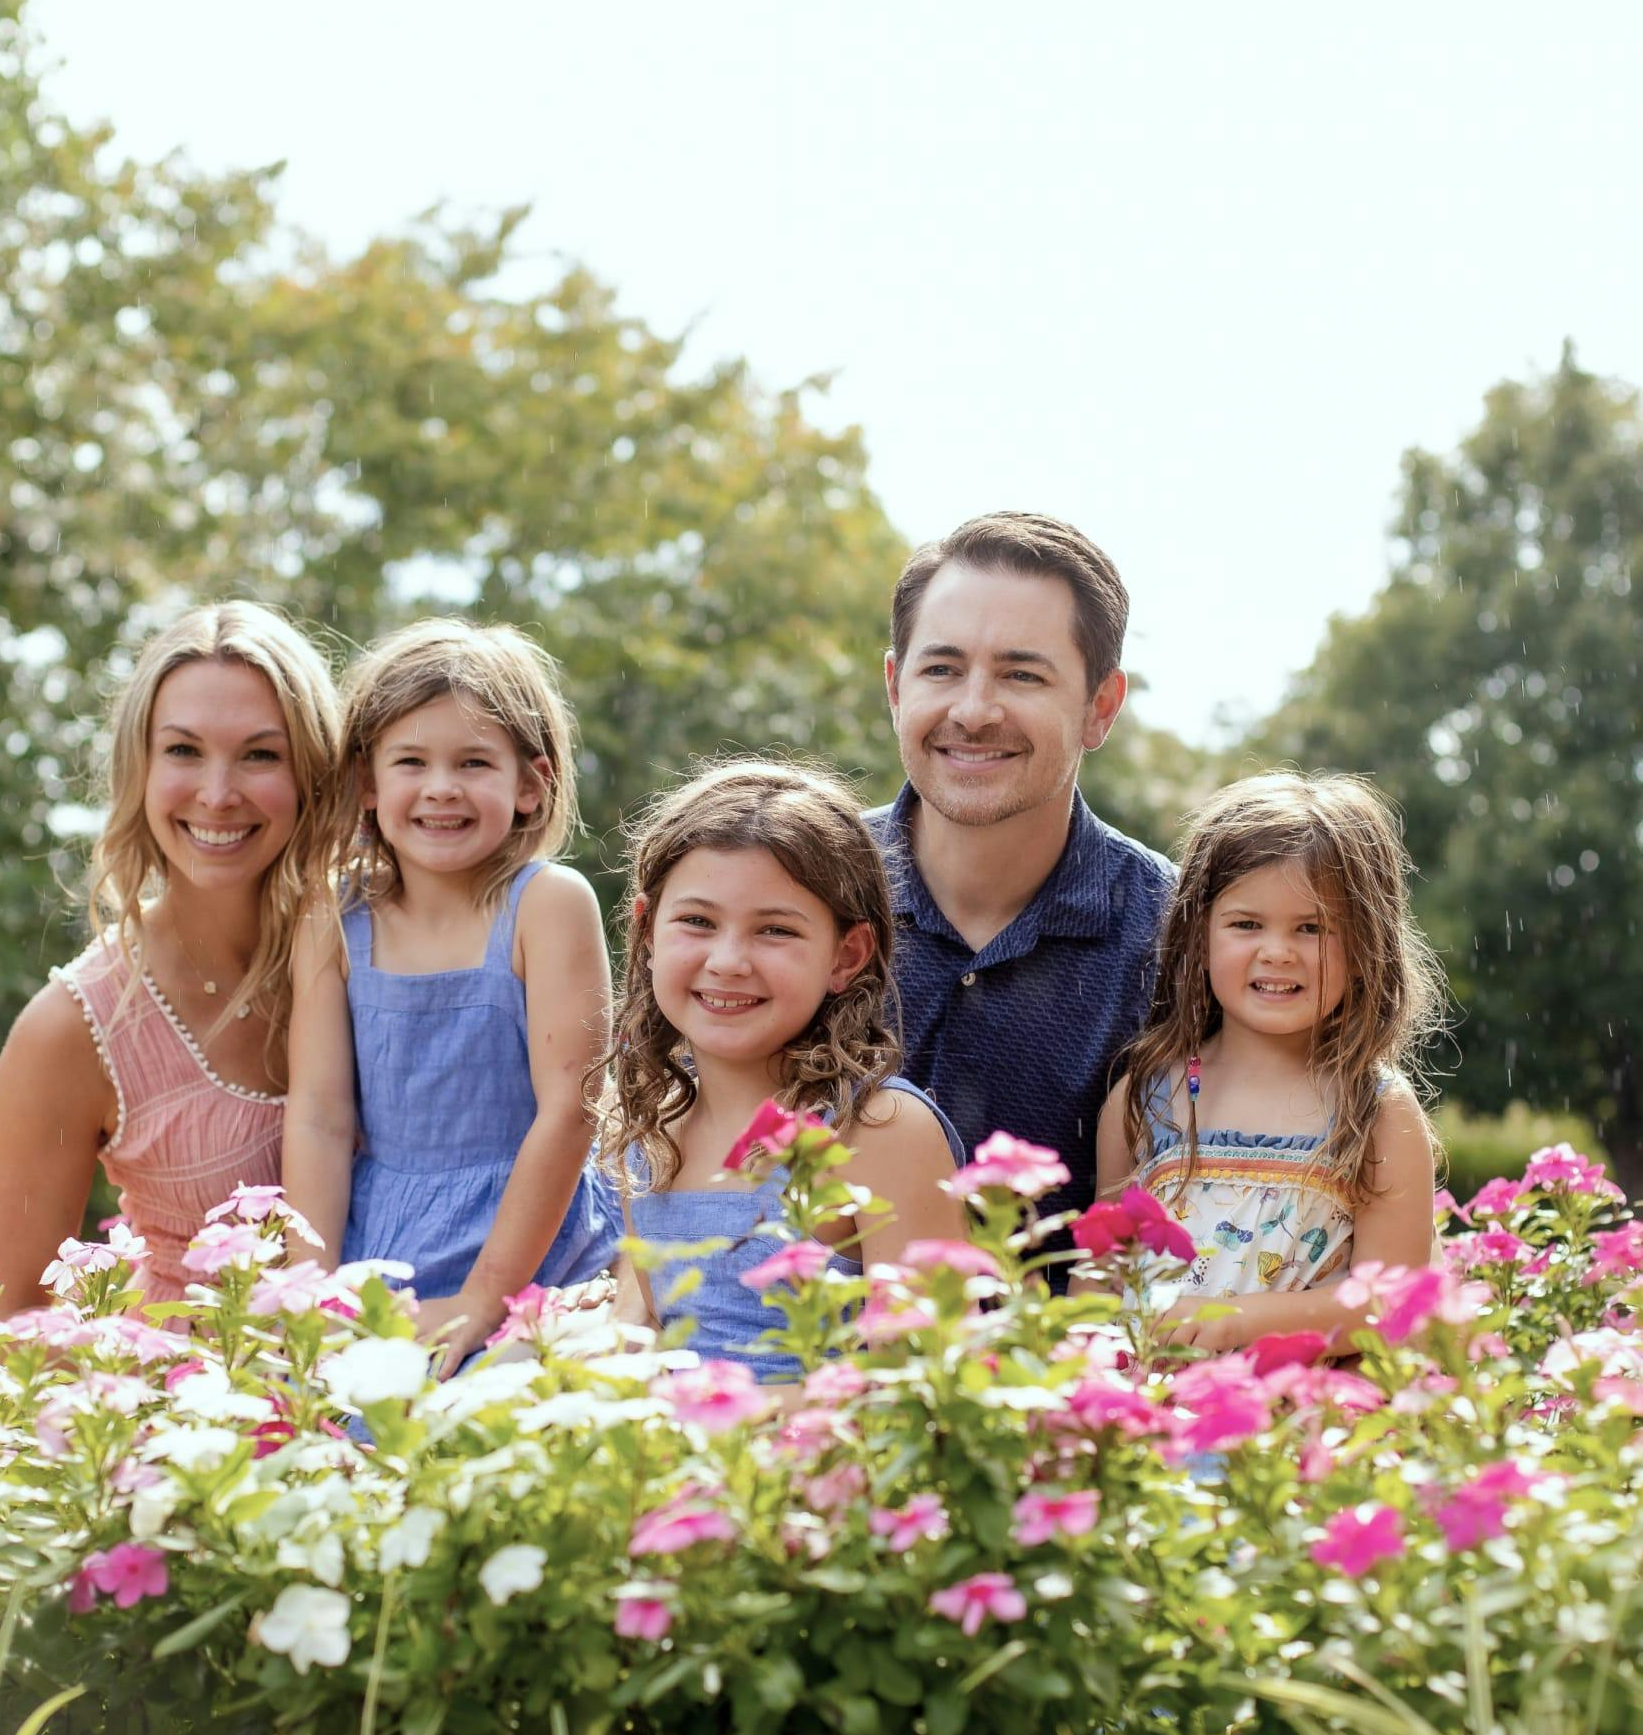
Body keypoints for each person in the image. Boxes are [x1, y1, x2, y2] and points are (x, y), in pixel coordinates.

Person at [0, 603, 348, 1313]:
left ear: (314, 773)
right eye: (183, 751)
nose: (218, 793)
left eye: (261, 754)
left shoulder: (389, 944)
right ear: (138, 766)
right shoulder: (74, 1028)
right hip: (193, 1411)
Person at [284, 620, 617, 1379]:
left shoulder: (547, 905)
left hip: (528, 1250)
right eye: (411, 762)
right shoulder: (333, 919)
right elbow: (320, 1117)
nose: (441, 788)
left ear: (529, 784)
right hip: (383, 1243)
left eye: (474, 762)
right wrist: (312, 1294)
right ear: (369, 783)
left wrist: (484, 1297)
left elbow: (571, 1110)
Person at [597, 761, 966, 1381]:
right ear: (648, 932)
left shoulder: (881, 1132)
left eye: (774, 930)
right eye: (697, 922)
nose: (728, 960)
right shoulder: (650, 1130)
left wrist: (713, 1421)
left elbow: (922, 1395)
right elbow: (656, 1332)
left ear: (846, 956)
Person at [869, 512, 1173, 1230]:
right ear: (894, 685)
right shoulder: (792, 895)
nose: (974, 711)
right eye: (941, 668)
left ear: (1100, 707)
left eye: (1021, 674)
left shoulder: (1185, 935)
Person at [1094, 771, 1445, 1351]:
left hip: (1307, 1427)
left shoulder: (1376, 1111)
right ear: (1198, 936)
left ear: (1365, 948)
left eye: (1312, 928)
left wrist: (1238, 1322)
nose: (1277, 951)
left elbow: (1393, 1302)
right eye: (1246, 924)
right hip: (1152, 1425)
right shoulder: (1142, 1098)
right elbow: (1103, 1275)